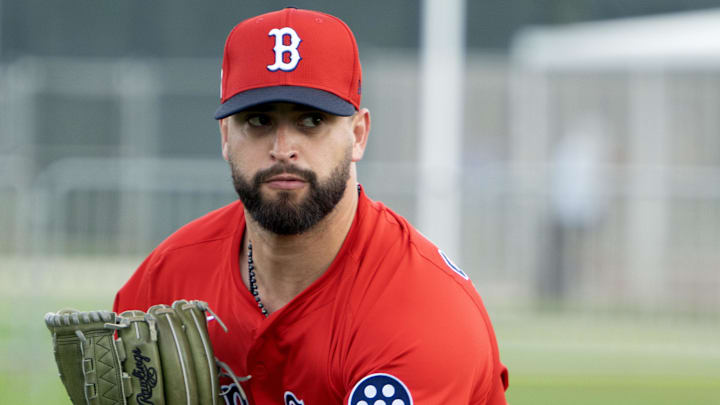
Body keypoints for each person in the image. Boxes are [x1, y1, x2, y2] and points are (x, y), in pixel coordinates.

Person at [114, 7, 509, 405]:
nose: (283, 149)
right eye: (258, 121)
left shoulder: (422, 315)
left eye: (311, 121)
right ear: (225, 136)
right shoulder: (168, 279)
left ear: (358, 134)